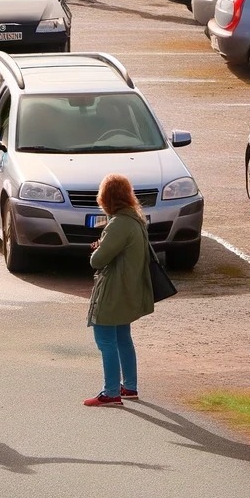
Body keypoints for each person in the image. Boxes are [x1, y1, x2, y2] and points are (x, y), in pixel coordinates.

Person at [83, 173, 156, 406]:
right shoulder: (135, 220)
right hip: (129, 288)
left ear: (106, 199)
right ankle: (129, 386)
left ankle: (111, 391)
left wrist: (98, 248)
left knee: (105, 340)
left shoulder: (118, 224)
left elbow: (97, 260)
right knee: (123, 338)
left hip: (113, 290)